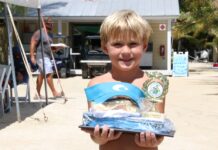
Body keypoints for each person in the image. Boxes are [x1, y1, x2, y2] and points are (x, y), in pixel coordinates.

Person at [82, 10, 165, 150]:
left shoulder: (154, 85)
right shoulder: (96, 84)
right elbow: (94, 133)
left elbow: (160, 130)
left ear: (144, 46)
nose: (126, 51)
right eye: (117, 44)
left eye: (133, 44)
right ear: (105, 47)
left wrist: (154, 141)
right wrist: (99, 137)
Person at [30, 17, 62, 98]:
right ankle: (54, 92)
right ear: (46, 23)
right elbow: (33, 43)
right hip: (41, 56)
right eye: (51, 23)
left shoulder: (50, 34)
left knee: (41, 75)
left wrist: (57, 48)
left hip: (47, 56)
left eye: (52, 23)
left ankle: (37, 94)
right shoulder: (39, 32)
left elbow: (50, 48)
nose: (52, 25)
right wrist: (32, 56)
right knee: (49, 73)